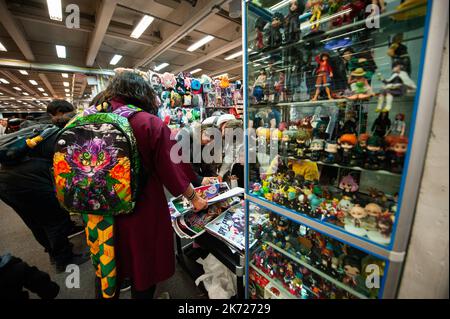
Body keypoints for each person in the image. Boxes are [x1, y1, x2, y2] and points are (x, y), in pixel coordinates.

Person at [93, 71, 208, 299]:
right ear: (142, 93)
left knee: (106, 261)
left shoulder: (93, 117)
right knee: (143, 263)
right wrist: (195, 198)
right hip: (140, 209)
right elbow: (172, 171)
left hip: (98, 208)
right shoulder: (147, 122)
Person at [0, 100, 87, 272]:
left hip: (6, 181)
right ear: (63, 114)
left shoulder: (39, 127)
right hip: (29, 181)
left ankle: (55, 254)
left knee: (35, 221)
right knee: (55, 220)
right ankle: (65, 260)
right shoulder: (61, 134)